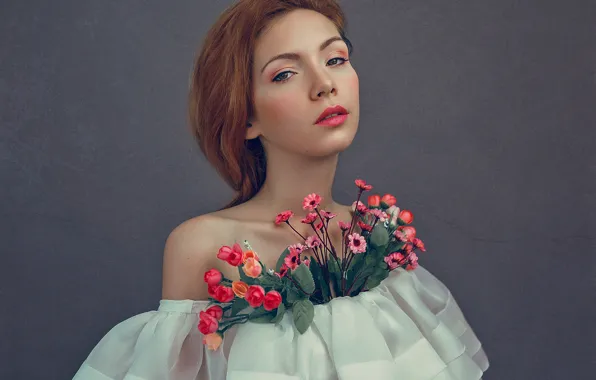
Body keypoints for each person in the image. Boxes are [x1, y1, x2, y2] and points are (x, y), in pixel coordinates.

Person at [73, 0, 489, 379]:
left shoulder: (378, 242)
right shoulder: (203, 246)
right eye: (285, 73)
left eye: (336, 58)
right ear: (246, 116)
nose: (325, 83)